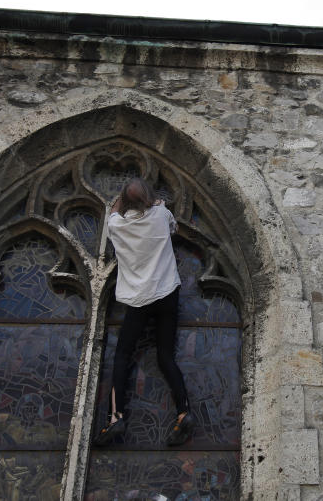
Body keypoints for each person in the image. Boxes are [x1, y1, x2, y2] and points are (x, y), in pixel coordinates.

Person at [94, 177, 194, 447]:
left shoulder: (117, 225)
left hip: (138, 301)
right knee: (165, 355)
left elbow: (113, 211)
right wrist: (154, 203)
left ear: (127, 202)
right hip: (166, 294)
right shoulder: (161, 214)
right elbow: (172, 227)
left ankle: (116, 417)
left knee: (123, 354)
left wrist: (123, 198)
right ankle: (183, 411)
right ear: (149, 198)